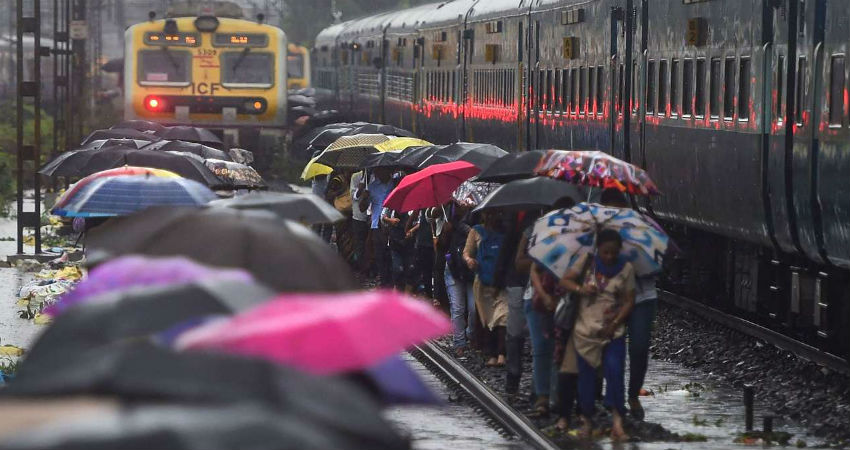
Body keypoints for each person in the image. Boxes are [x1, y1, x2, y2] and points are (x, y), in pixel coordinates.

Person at [560, 229, 636, 441]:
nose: (609, 257)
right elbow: (565, 281)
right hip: (585, 331)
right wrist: (581, 288)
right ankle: (586, 421)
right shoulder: (586, 262)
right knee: (586, 379)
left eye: (613, 253)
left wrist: (616, 322)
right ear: (598, 250)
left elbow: (630, 299)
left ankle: (617, 424)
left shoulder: (626, 269)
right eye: (605, 252)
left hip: (613, 331)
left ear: (619, 251)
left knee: (615, 372)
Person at [599, 187, 658, 421]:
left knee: (639, 348)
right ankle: (614, 398)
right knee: (613, 349)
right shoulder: (599, 231)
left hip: (643, 296)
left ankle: (633, 394)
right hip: (611, 298)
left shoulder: (642, 227)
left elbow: (658, 258)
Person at [463, 210, 509, 367]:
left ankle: (501, 353)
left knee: (502, 317)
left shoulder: (505, 231)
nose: (491, 216)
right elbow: (467, 252)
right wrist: (470, 261)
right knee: (488, 319)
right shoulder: (476, 231)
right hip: (482, 282)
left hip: (501, 281)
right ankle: (492, 353)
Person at [442, 204, 476, 356]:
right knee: (457, 308)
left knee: (473, 308)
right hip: (453, 267)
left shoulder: (476, 221)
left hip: (470, 270)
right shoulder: (449, 221)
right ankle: (459, 341)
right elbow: (441, 245)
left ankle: (469, 333)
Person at [358, 168, 395, 287]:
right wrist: (364, 197)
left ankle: (391, 283)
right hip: (377, 226)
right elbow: (362, 208)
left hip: (392, 224)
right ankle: (384, 283)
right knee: (379, 256)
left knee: (391, 256)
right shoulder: (372, 187)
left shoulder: (395, 185)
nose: (379, 173)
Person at [382, 206, 413, 291]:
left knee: (409, 269)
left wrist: (411, 230)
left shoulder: (411, 208)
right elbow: (383, 217)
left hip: (408, 244)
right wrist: (390, 220)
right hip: (394, 243)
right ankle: (396, 287)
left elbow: (417, 222)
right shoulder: (390, 207)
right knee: (397, 268)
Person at [349, 170, 370, 273]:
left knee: (370, 244)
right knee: (359, 243)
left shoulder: (376, 176)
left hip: (371, 216)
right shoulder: (356, 177)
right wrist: (360, 188)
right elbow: (354, 196)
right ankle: (360, 268)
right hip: (358, 216)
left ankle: (368, 268)